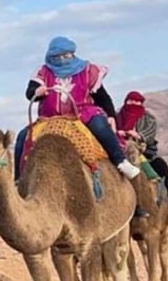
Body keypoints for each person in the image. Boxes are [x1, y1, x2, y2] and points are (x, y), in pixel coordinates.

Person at [24, 36, 141, 181]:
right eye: (57, 57)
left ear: (72, 54)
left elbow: (102, 97)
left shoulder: (87, 71)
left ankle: (120, 161)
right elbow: (30, 93)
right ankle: (19, 178)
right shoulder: (43, 72)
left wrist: (111, 115)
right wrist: (37, 92)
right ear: (50, 57)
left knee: (100, 126)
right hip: (49, 118)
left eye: (66, 55)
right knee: (23, 137)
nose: (62, 59)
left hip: (82, 114)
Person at [118, 91, 168, 216]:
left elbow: (150, 134)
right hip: (121, 150)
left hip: (145, 152)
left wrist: (138, 135)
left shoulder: (148, 118)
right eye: (131, 101)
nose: (133, 103)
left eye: (137, 101)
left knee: (162, 166)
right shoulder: (117, 116)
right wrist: (119, 133)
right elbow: (112, 130)